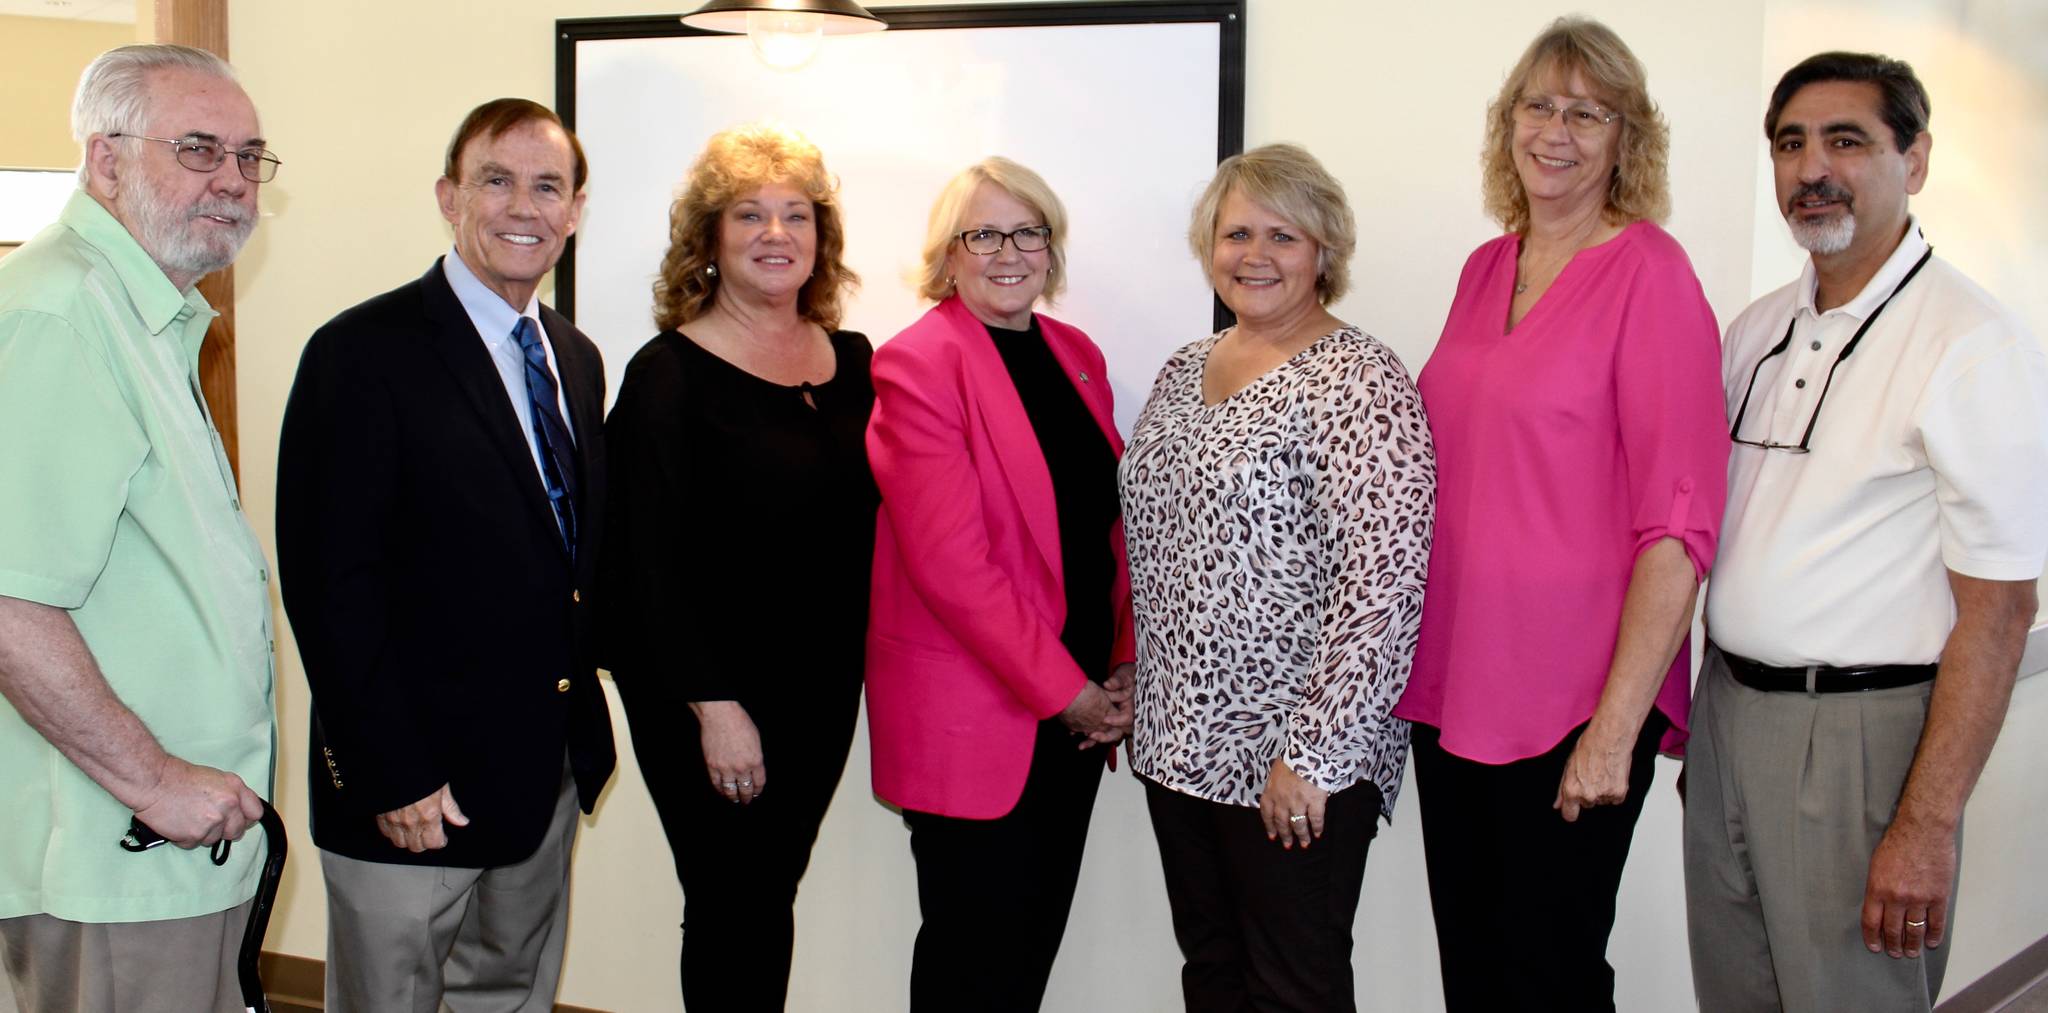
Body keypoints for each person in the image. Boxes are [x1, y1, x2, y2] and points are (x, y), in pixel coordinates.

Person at [1686, 52, 2048, 1013]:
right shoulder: (1753, 330)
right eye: (1791, 144)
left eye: (1847, 140)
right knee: (1737, 994)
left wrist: (1926, 824)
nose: (1813, 168)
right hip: (1730, 715)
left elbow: (2004, 610)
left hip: (1862, 742)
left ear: (1914, 158)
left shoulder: (1971, 343)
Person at [1392, 17, 1729, 1011]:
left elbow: (1678, 519)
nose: (1556, 130)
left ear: (1627, 140)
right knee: (1478, 972)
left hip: (1572, 700)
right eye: (1537, 106)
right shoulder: (1483, 268)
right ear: (1507, 127)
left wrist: (1614, 725)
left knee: (1549, 977)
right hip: (1456, 689)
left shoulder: (1649, 274)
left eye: (1587, 113)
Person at [275, 98, 615, 1013]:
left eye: (547, 186)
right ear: (448, 196)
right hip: (414, 790)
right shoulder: (362, 352)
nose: (523, 206)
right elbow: (328, 581)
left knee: (508, 995)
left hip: (539, 777)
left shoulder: (575, 358)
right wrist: (390, 769)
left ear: (575, 210)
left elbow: (568, 561)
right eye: (495, 180)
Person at [1120, 142, 1434, 1013]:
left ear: (1325, 251)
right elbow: (1156, 543)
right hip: (1179, 744)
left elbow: (1383, 588)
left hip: (1291, 759)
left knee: (1294, 988)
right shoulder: (1185, 369)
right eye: (1237, 234)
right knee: (1213, 975)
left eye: (1284, 236)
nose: (1255, 256)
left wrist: (1315, 756)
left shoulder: (1362, 380)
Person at [0, 43, 275, 1013]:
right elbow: (8, 602)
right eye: (199, 149)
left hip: (167, 845)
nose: (233, 182)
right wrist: (154, 780)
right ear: (104, 159)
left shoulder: (141, 312)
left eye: (249, 157)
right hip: (112, 847)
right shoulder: (62, 312)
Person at [600, 124, 873, 1011]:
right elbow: (645, 560)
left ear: (820, 238)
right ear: (709, 238)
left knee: (770, 889)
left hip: (819, 685)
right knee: (730, 897)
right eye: (749, 214)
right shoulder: (666, 374)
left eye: (797, 215)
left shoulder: (856, 364)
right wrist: (715, 708)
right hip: (705, 696)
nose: (775, 233)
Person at [865, 156, 1133, 1012]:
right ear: (949, 254)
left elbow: (1110, 525)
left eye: (1028, 231)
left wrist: (1122, 661)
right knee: (970, 964)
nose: (1008, 251)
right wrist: (1069, 693)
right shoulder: (918, 364)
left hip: (1079, 708)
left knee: (1024, 957)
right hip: (981, 715)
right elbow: (952, 565)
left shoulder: (1075, 353)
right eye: (984, 233)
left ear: (1049, 249)